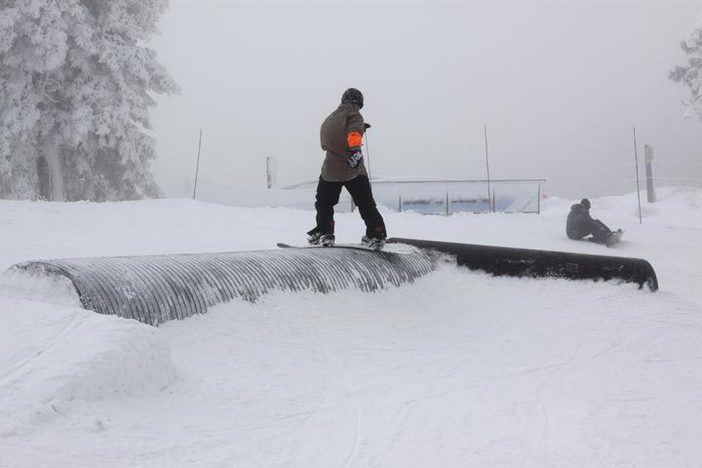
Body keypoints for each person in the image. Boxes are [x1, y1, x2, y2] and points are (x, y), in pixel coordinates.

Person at [307, 88, 387, 248]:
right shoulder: (354, 115)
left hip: (330, 169)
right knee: (366, 203)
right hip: (352, 167)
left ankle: (324, 233)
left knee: (324, 202)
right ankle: (376, 234)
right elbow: (353, 134)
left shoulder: (329, 119)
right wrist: (355, 150)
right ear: (358, 103)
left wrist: (357, 129)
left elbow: (326, 143)